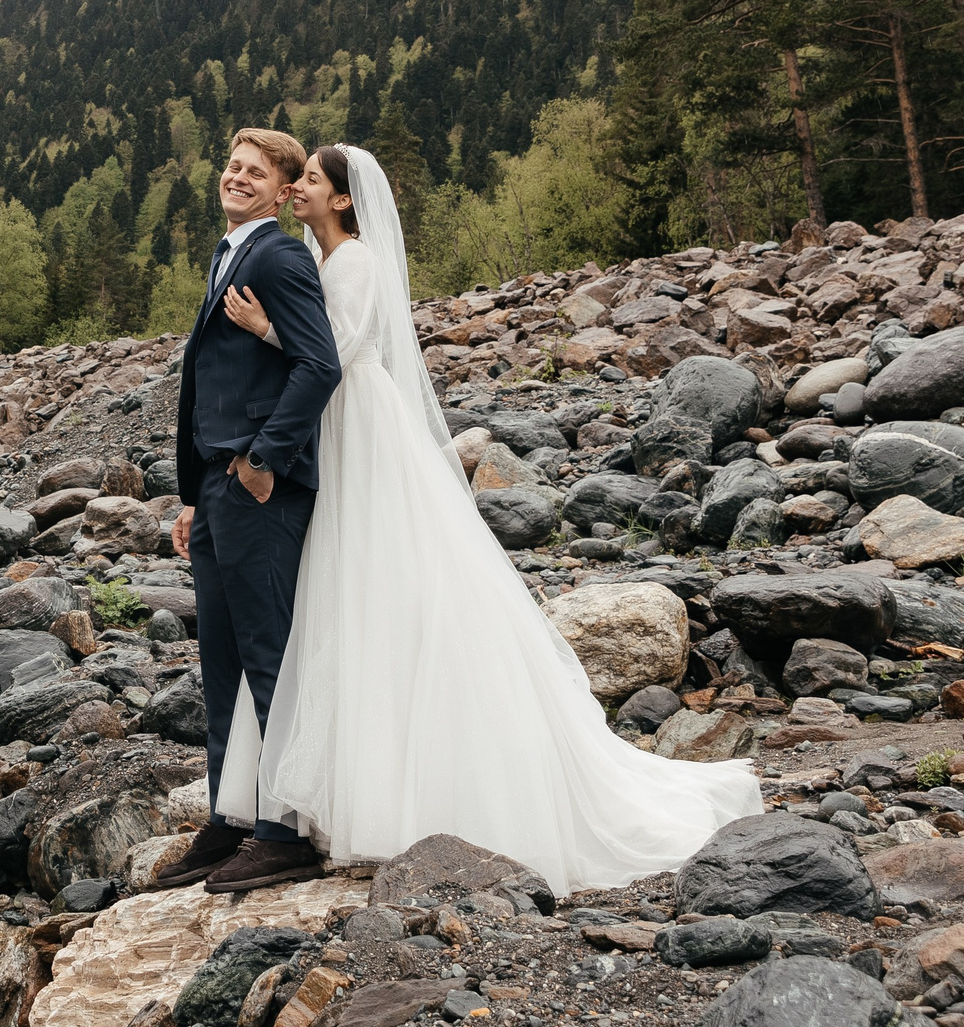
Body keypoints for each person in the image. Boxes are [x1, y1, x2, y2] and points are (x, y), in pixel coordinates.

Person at [214, 144, 761, 893]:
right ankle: (345, 776)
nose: (298, 188)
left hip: (358, 429)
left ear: (343, 200)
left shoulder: (354, 263)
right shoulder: (319, 256)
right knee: (347, 587)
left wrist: (265, 331)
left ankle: (375, 784)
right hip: (340, 426)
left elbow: (332, 353)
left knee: (365, 573)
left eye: (310, 179)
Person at [150, 128, 342, 896]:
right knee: (222, 660)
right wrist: (195, 496)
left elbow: (318, 363)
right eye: (233, 166)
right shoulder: (228, 253)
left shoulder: (279, 255)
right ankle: (231, 819)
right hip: (219, 489)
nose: (236, 177)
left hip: (260, 486)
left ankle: (286, 829)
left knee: (269, 654)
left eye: (255, 173)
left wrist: (264, 461)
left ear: (283, 190)